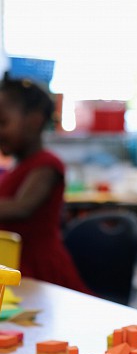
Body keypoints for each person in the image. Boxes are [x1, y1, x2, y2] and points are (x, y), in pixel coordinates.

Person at [0, 73, 91, 294]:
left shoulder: (47, 165)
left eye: (2, 122)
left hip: (40, 274)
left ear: (34, 121)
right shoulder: (15, 168)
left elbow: (23, 207)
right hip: (15, 268)